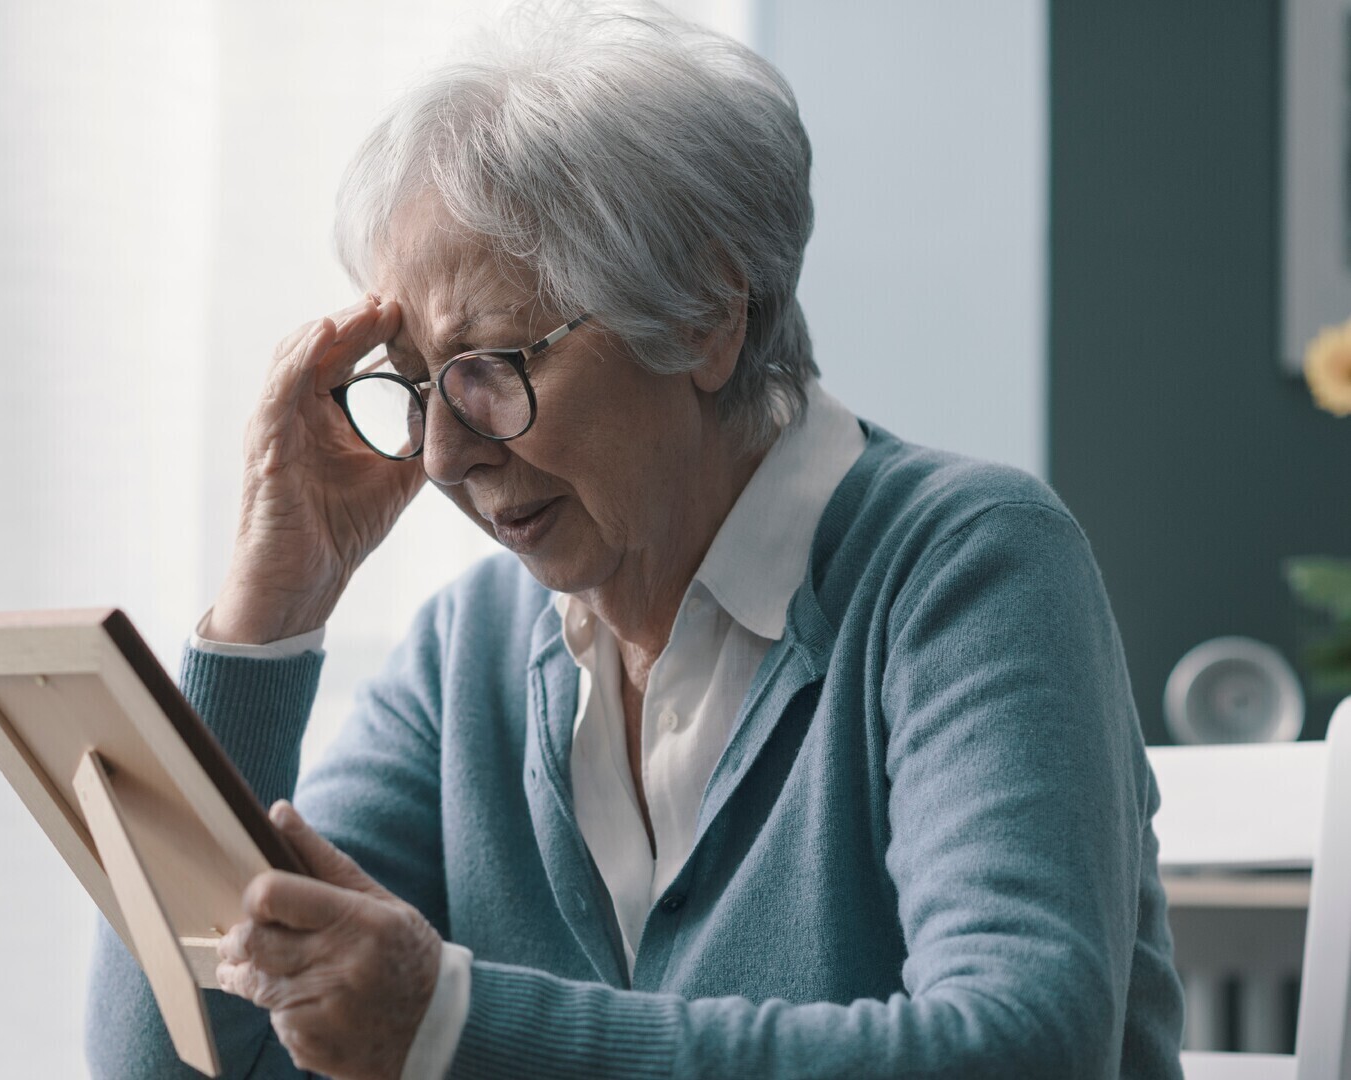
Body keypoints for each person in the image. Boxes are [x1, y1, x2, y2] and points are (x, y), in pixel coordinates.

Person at [87, 4, 1185, 1078]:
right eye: (417, 386)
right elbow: (176, 1063)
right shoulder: (468, 655)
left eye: (492, 367)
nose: (439, 458)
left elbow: (1022, 1047)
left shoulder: (971, 570)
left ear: (708, 316)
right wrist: (266, 616)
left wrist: (454, 1026)